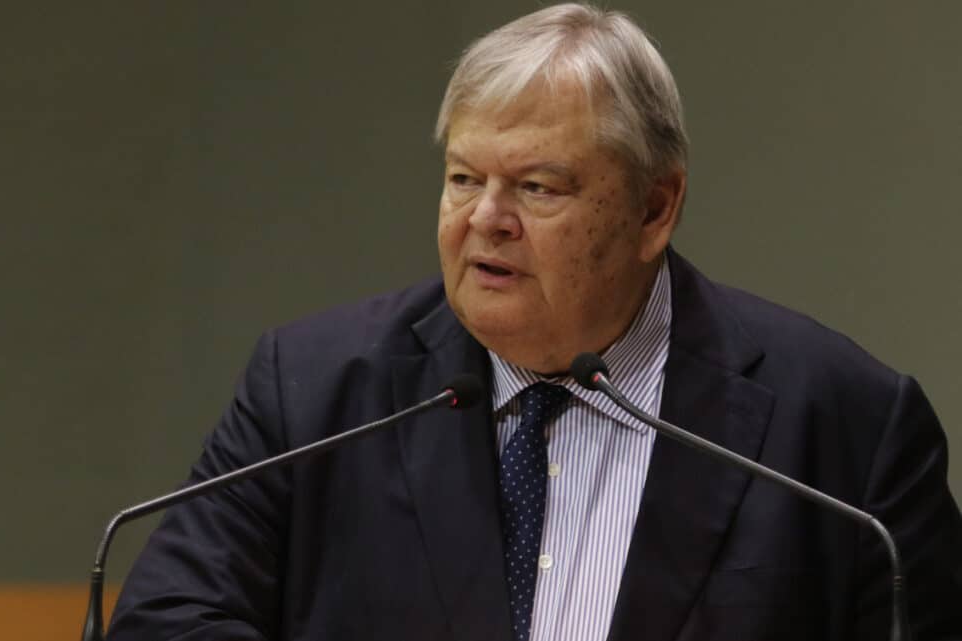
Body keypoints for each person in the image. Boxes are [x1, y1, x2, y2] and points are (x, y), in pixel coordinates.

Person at [108, 4, 962, 640]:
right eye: (463, 178)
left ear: (654, 208)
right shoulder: (314, 391)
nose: (485, 219)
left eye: (537, 187)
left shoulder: (844, 427)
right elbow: (167, 619)